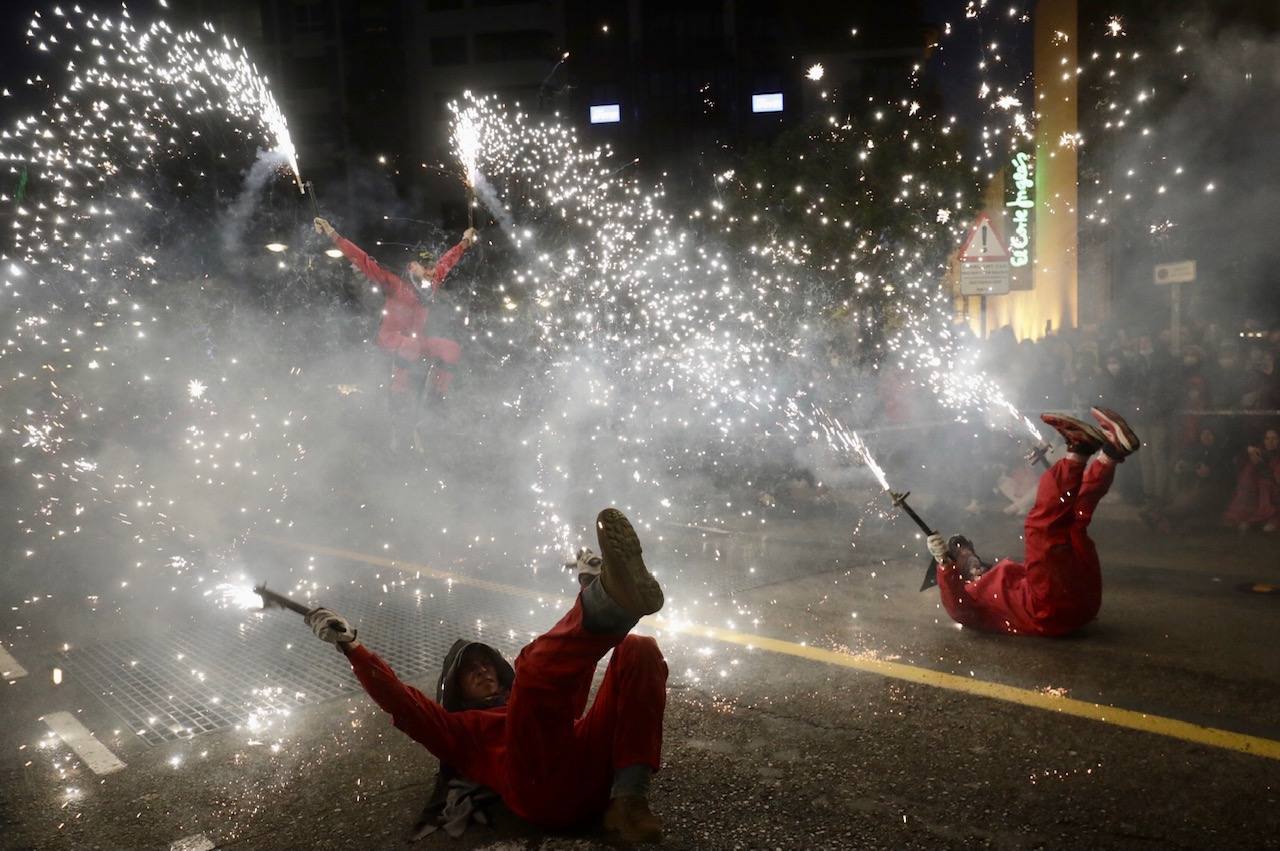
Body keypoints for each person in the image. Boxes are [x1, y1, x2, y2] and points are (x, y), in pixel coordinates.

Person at [304, 508, 668, 843]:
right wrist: (351, 647)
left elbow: (578, 660)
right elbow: (402, 702)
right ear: (457, 693)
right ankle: (609, 601)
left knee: (639, 648)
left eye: (485, 664)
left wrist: (587, 581)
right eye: (469, 670)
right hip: (542, 791)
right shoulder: (459, 730)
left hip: (594, 773)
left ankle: (630, 802)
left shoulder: (534, 703)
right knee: (533, 667)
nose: (481, 669)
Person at [926, 407, 1141, 637]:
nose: (966, 553)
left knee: (1073, 517)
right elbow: (956, 606)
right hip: (1050, 614)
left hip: (1082, 601)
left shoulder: (1001, 572)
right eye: (957, 554)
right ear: (956, 570)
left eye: (965, 549)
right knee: (1039, 528)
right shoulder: (971, 597)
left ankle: (1111, 452)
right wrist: (943, 565)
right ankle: (1078, 450)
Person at [313, 216, 477, 451]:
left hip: (415, 342)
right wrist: (332, 234)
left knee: (451, 348)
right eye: (427, 268)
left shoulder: (431, 283)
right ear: (412, 267)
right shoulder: (394, 283)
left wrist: (464, 242)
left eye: (432, 269)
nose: (432, 272)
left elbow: (447, 261)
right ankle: (398, 397)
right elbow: (361, 259)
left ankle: (436, 399)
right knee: (409, 345)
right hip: (390, 339)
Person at [1222, 427, 1280, 533]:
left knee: (1265, 485)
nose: (1270, 442)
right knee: (1248, 478)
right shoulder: (1259, 452)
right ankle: (1246, 518)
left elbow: (1275, 478)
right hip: (1255, 491)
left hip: (1273, 492)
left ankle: (1266, 519)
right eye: (1267, 438)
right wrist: (1249, 451)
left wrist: (1260, 465)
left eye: (1274, 438)